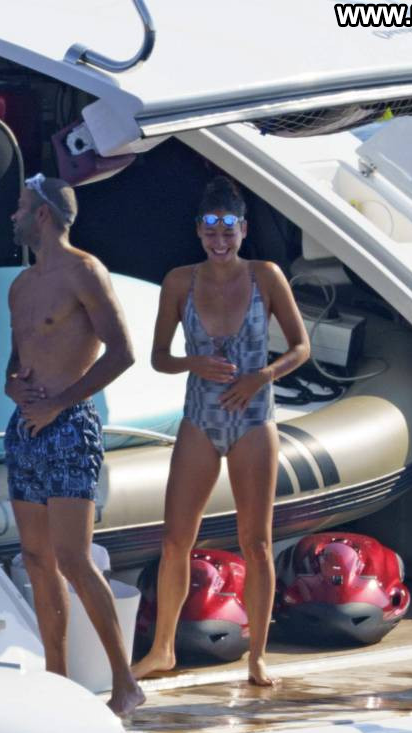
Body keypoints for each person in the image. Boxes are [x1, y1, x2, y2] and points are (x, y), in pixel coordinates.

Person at [130, 176, 310, 686]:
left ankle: (257, 656)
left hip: (253, 420)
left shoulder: (266, 276)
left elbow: (301, 348)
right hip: (200, 419)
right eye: (210, 231)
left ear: (243, 230)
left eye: (228, 231)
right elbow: (159, 357)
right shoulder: (179, 282)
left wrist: (262, 376)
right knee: (175, 540)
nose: (219, 240)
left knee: (257, 542)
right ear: (198, 232)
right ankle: (162, 648)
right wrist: (193, 362)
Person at [4, 173, 144, 717]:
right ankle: (57, 681)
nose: (12, 216)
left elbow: (122, 352)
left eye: (20, 207)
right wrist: (12, 386)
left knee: (73, 558)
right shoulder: (20, 286)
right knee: (37, 559)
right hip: (24, 428)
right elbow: (16, 359)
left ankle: (125, 683)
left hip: (69, 427)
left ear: (42, 214)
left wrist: (59, 403)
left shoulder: (85, 271)